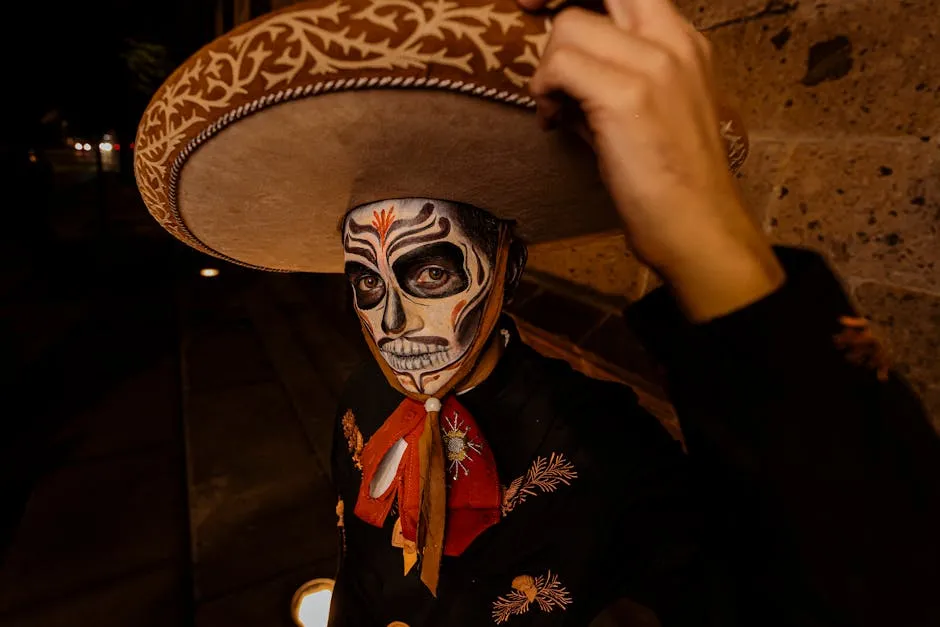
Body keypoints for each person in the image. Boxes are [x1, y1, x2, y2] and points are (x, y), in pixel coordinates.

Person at [133, 0, 940, 624]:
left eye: (432, 268)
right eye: (366, 282)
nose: (392, 322)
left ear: (509, 269)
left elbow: (847, 588)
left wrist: (708, 247)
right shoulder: (358, 395)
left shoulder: (598, 438)